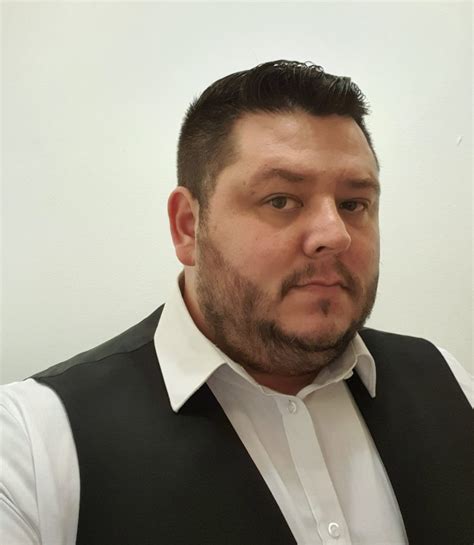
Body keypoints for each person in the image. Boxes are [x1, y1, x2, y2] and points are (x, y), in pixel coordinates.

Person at [1, 60, 472, 545]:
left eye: (354, 204)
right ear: (188, 226)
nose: (334, 235)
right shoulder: (33, 446)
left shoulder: (448, 384)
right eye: (281, 200)